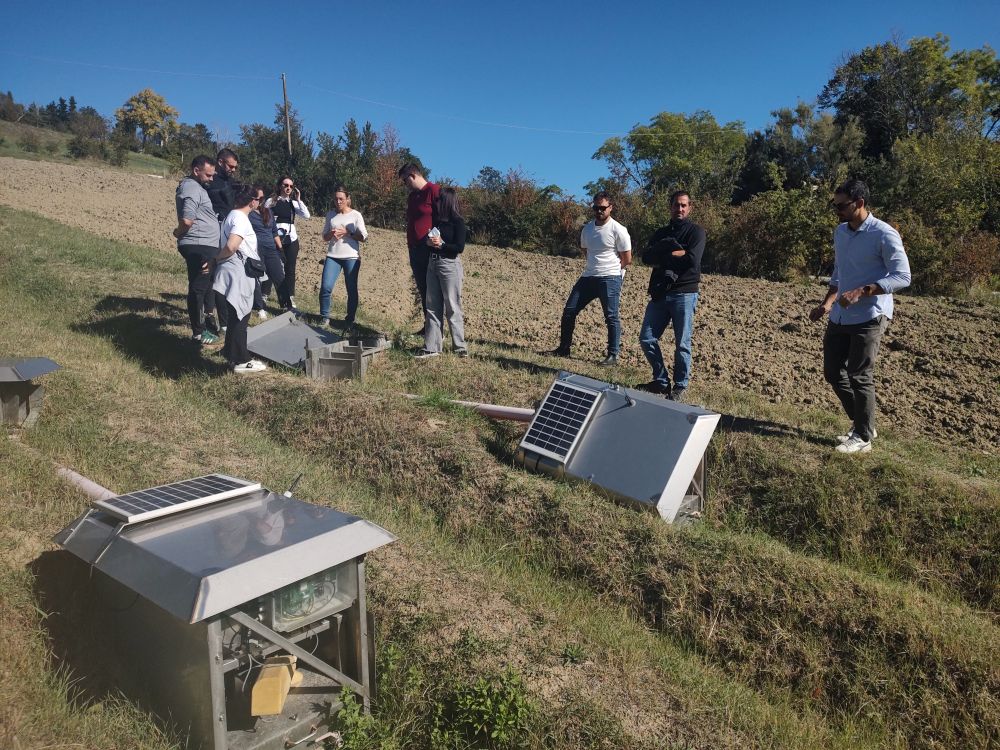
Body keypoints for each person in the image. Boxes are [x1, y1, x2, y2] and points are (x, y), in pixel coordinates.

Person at [809, 178, 910, 454]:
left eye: (841, 206)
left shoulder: (884, 234)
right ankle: (864, 422)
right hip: (841, 314)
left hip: (870, 314)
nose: (837, 210)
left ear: (860, 203)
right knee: (832, 372)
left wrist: (863, 292)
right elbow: (840, 272)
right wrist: (827, 303)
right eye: (835, 205)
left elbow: (903, 276)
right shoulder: (841, 232)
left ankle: (863, 437)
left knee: (859, 373)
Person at [637, 190, 706, 401]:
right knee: (647, 338)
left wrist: (663, 255)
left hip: (684, 293)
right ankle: (661, 381)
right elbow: (646, 257)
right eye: (676, 205)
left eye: (684, 205)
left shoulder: (696, 233)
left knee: (682, 344)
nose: (680, 209)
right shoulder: (661, 232)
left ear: (690, 208)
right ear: (671, 206)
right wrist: (673, 252)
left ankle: (680, 385)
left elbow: (692, 260)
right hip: (660, 292)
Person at [548, 192, 631, 365]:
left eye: (603, 208)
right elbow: (586, 251)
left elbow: (627, 259)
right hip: (588, 277)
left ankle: (613, 356)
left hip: (609, 278)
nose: (599, 211)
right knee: (569, 310)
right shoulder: (587, 229)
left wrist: (615, 273)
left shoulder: (619, 230)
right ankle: (564, 348)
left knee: (611, 316)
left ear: (610, 208)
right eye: (596, 207)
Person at [215, 186, 268, 373]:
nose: (259, 203)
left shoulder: (233, 215)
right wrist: (216, 259)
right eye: (259, 200)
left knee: (235, 314)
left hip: (233, 270)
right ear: (252, 201)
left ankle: (229, 352)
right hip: (239, 271)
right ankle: (241, 361)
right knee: (241, 315)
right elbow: (232, 245)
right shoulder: (240, 218)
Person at [173, 154, 222, 345]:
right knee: (198, 288)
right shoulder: (191, 187)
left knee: (206, 285)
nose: (211, 179)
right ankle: (198, 333)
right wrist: (178, 232)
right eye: (208, 175)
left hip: (206, 245)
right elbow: (187, 219)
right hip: (200, 245)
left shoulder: (196, 187)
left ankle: (206, 327)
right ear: (196, 170)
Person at [416, 187, 467, 358]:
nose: (436, 203)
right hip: (433, 263)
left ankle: (460, 348)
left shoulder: (458, 223)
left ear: (446, 202)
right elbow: (426, 238)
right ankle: (432, 347)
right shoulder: (437, 222)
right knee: (432, 307)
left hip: (449, 265)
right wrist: (429, 243)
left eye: (439, 200)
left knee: (452, 306)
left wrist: (442, 245)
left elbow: (459, 247)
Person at [319, 186, 368, 329]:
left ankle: (349, 320)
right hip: (333, 255)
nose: (338, 201)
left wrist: (348, 233)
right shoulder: (330, 215)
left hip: (351, 257)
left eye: (341, 199)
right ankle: (324, 317)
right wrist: (331, 234)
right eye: (336, 199)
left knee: (351, 289)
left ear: (348, 199)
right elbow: (324, 236)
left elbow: (364, 237)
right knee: (326, 287)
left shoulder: (356, 215)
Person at [398, 163, 440, 322]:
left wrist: (437, 239)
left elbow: (443, 218)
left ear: (413, 175)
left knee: (432, 289)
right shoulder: (412, 197)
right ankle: (428, 324)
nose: (405, 185)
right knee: (422, 289)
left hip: (429, 248)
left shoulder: (433, 191)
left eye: (405, 181)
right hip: (414, 248)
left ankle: (437, 328)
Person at [266, 176, 311, 311]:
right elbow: (263, 214)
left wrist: (298, 199)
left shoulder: (294, 203)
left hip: (291, 239)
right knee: (271, 266)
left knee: (290, 269)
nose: (288, 188)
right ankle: (264, 294)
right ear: (280, 186)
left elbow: (306, 215)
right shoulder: (271, 201)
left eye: (291, 186)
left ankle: (290, 296)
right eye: (286, 185)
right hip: (275, 237)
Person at [249, 183, 286, 317]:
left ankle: (287, 305)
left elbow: (274, 232)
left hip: (271, 249)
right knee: (258, 279)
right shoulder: (248, 213)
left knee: (279, 277)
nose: (260, 201)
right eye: (258, 198)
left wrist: (280, 250)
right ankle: (259, 307)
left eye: (262, 198)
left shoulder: (268, 212)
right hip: (256, 249)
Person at [206, 148, 239, 222]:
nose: (234, 170)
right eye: (231, 166)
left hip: (229, 225)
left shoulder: (233, 182)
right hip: (212, 225)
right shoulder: (207, 179)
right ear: (220, 162)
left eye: (235, 167)